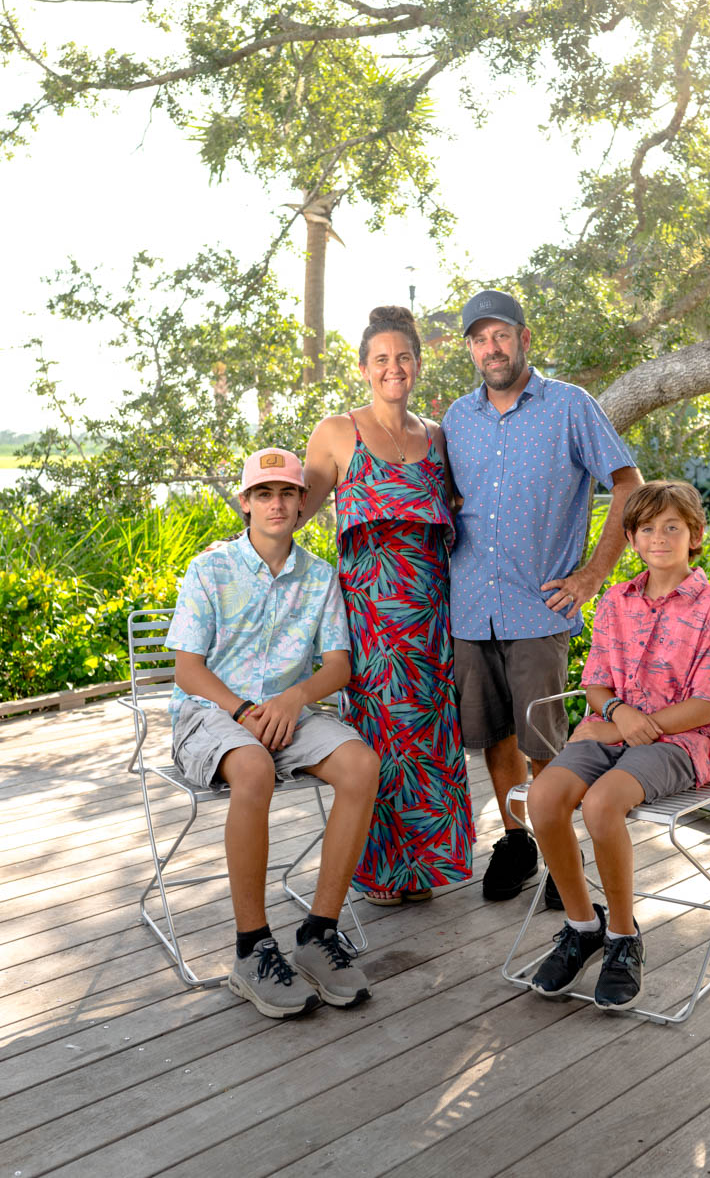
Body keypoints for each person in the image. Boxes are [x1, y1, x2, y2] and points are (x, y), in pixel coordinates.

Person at [442, 288, 642, 903]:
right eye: (480, 339)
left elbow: (628, 483)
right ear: (471, 349)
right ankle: (518, 842)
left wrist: (591, 576)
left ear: (525, 340)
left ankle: (563, 857)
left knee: (547, 740)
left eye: (501, 335)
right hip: (471, 608)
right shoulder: (457, 418)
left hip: (539, 608)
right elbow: (447, 500)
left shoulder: (570, 406)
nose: (491, 348)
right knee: (496, 736)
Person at [166, 447, 380, 1019]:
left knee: (362, 765)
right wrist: (243, 713)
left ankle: (318, 932)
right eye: (264, 493)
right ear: (245, 503)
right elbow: (188, 669)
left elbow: (337, 665)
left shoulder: (320, 577)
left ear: (304, 501)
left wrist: (292, 698)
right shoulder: (210, 569)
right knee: (254, 767)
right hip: (213, 712)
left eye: (287, 492)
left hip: (289, 711)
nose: (277, 503)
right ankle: (252, 948)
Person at [527, 480, 710, 1009]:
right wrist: (616, 713)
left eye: (673, 527)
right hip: (610, 728)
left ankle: (624, 936)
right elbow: (597, 683)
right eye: (646, 528)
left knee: (602, 805)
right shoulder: (617, 602)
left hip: (680, 743)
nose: (659, 538)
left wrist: (628, 725)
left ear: (695, 535)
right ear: (630, 538)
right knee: (543, 798)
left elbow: (709, 704)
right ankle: (583, 926)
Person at [302, 306, 474, 905]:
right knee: (381, 741)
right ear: (363, 368)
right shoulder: (335, 432)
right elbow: (292, 514)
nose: (393, 368)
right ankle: (381, 871)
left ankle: (423, 867)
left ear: (419, 364)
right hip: (371, 623)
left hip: (433, 617)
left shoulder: (439, 438)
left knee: (429, 739)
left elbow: (464, 517)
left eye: (403, 357)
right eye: (382, 359)